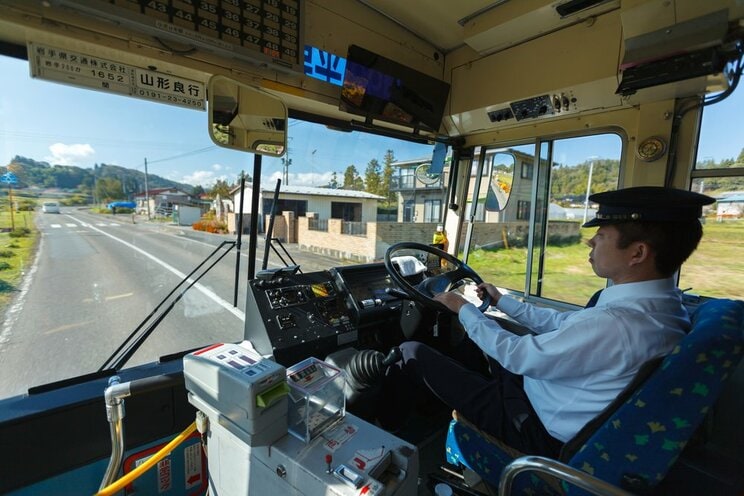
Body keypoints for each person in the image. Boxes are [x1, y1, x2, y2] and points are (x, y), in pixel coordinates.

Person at [381, 186, 715, 457]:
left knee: (411, 351)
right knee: (472, 342)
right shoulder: (661, 306)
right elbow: (565, 324)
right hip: (548, 395)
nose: (591, 241)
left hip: (533, 427)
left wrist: (461, 307)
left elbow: (519, 356)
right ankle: (433, 406)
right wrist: (503, 302)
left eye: (601, 234)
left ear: (637, 253)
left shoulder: (619, 324)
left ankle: (385, 429)